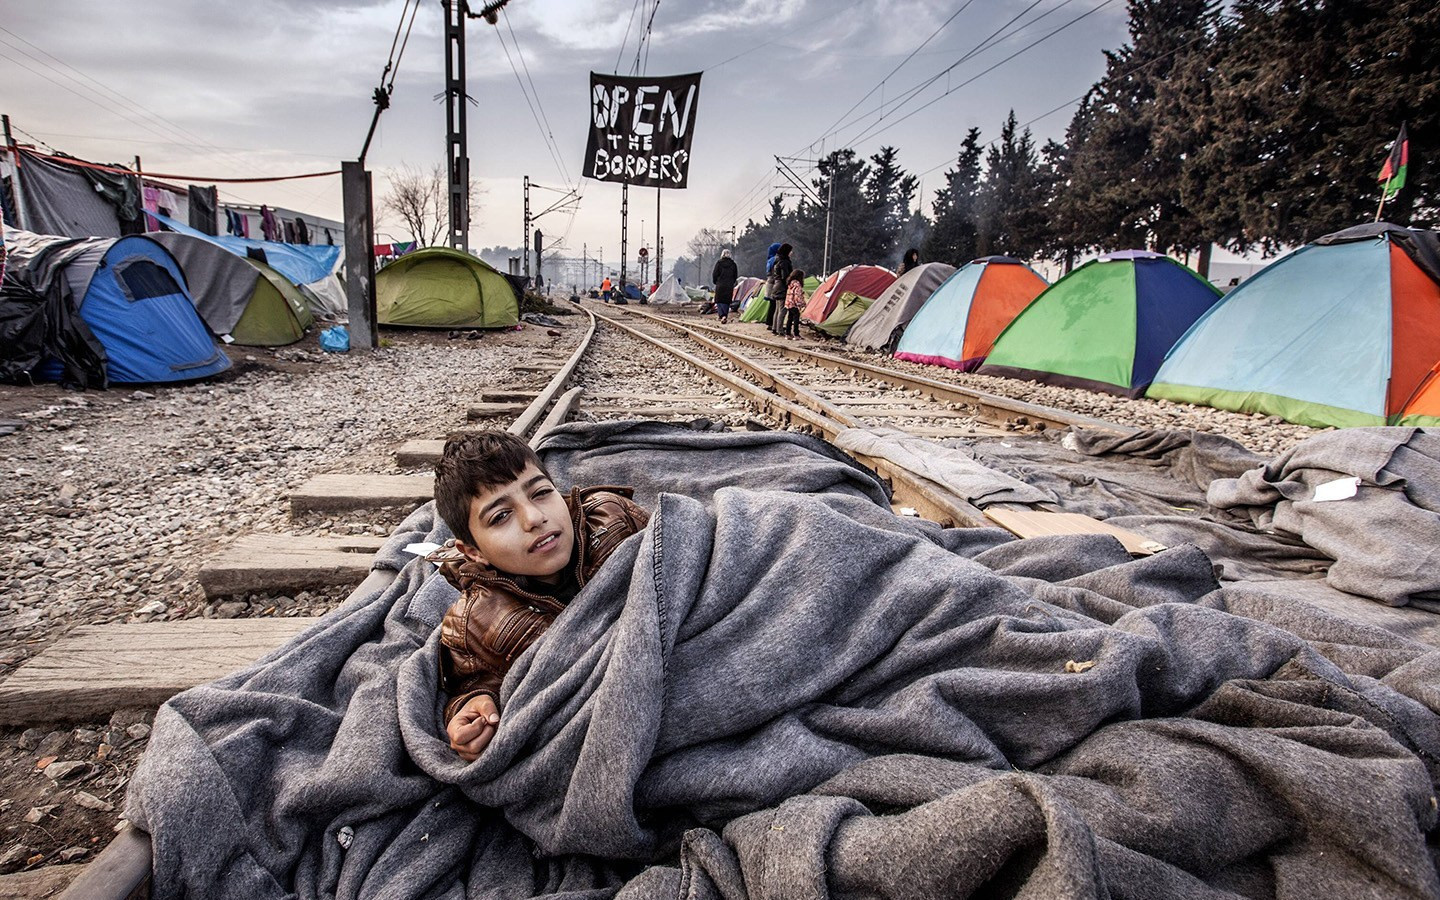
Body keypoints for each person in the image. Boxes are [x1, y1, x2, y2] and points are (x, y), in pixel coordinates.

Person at [428, 431, 650, 761]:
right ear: (472, 552)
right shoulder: (475, 621)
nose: (534, 518)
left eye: (541, 493)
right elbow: (473, 683)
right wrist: (475, 705)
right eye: (500, 516)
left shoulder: (614, 517)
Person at [766, 243, 793, 335]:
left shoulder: (776, 260)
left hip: (776, 286)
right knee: (782, 309)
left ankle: (774, 327)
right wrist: (789, 285)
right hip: (782, 287)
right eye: (790, 251)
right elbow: (785, 276)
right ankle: (780, 330)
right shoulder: (784, 262)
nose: (792, 253)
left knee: (777, 309)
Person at [711, 249, 738, 324]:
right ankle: (725, 315)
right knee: (726, 301)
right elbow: (735, 275)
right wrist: (732, 282)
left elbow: (715, 274)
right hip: (729, 285)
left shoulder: (719, 263)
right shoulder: (733, 264)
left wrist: (715, 282)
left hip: (720, 284)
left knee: (719, 300)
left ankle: (721, 315)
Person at [783, 269, 807, 340]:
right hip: (794, 304)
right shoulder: (797, 284)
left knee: (789, 319)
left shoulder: (790, 283)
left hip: (789, 303)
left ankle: (787, 334)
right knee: (796, 319)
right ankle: (796, 334)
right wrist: (802, 304)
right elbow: (798, 295)